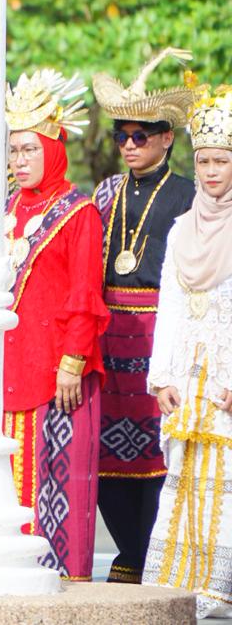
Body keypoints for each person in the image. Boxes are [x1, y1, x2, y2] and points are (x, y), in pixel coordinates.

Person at [90, 49, 196, 584]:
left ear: (166, 138)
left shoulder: (188, 195)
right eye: (121, 137)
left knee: (158, 452)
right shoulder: (105, 193)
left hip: (160, 331)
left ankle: (149, 551)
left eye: (141, 136)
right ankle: (128, 549)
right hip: (109, 334)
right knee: (107, 453)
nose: (129, 145)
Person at [2, 69, 110, 582]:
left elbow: (84, 296)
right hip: (3, 369)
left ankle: (58, 582)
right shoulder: (1, 209)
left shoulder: (77, 211)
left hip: (55, 373)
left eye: (29, 149)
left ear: (53, 149)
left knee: (56, 481)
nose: (19, 160)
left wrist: (72, 363)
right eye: (13, 150)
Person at [144, 81, 232, 617]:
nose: (211, 171)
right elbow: (170, 307)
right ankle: (182, 587)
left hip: (225, 381)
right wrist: (162, 378)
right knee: (186, 480)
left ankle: (221, 587)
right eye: (203, 161)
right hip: (188, 378)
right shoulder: (180, 230)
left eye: (221, 160)